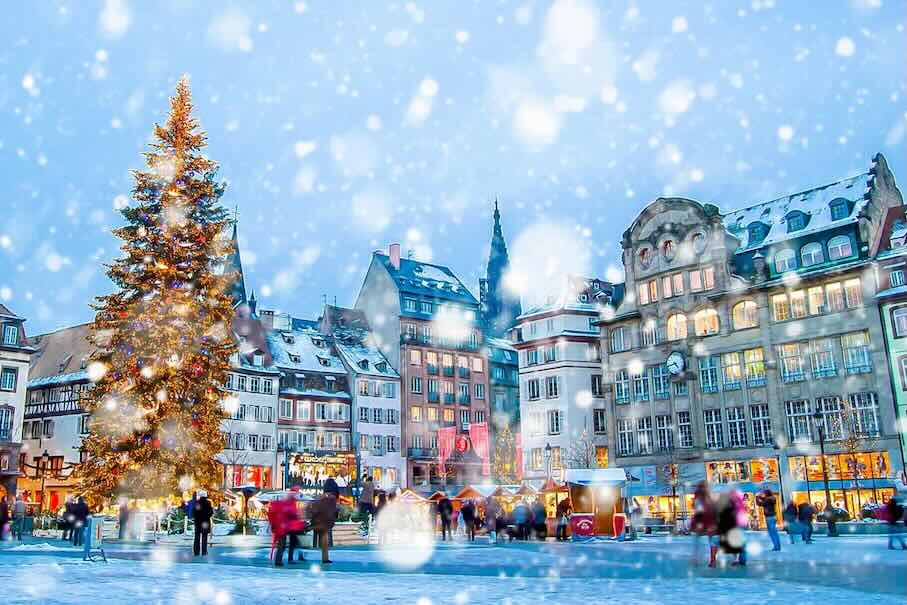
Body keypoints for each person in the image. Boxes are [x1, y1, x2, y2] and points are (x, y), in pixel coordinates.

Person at [271, 489, 307, 566]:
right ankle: (282, 560)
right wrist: (298, 514)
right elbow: (291, 513)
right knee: (287, 543)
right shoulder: (289, 503)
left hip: (286, 526)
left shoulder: (289, 502)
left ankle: (283, 559)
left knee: (288, 543)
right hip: (286, 526)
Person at [690, 481, 718, 567]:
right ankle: (713, 560)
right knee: (712, 541)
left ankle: (697, 559)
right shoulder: (711, 496)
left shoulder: (699, 497)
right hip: (711, 521)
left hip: (702, 521)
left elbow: (698, 509)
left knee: (697, 540)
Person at [309, 483, 339, 564]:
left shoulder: (320, 497)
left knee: (323, 537)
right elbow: (334, 510)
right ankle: (325, 558)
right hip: (326, 521)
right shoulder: (332, 498)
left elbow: (314, 508)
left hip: (318, 520)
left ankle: (325, 558)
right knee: (325, 538)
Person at [192, 490, 214, 556]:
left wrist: (197, 517)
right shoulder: (208, 503)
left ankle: (196, 552)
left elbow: (194, 512)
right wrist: (206, 516)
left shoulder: (197, 503)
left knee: (197, 537)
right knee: (204, 537)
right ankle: (204, 552)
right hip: (205, 522)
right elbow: (211, 512)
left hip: (198, 522)